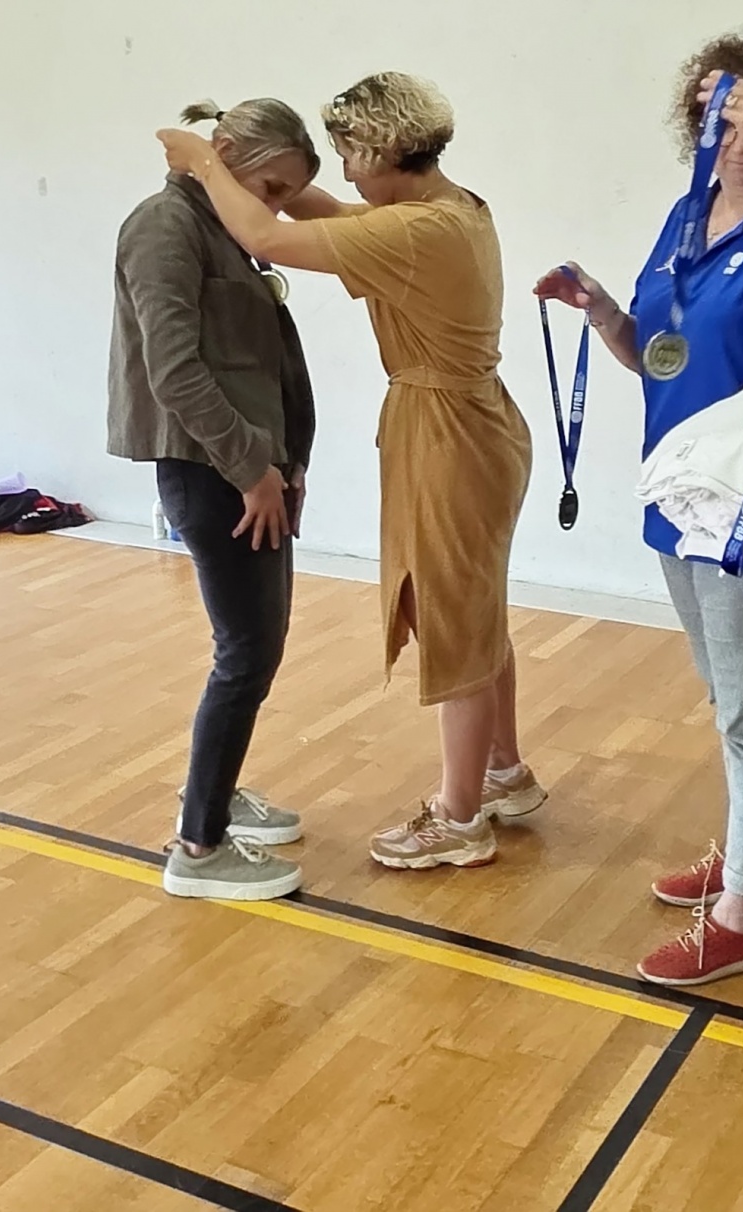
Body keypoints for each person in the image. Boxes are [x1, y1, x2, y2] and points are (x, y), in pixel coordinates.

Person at [158, 71, 544, 872]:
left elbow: (267, 238)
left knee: (452, 621)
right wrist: (258, 166)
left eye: (346, 154)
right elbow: (322, 212)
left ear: (379, 152)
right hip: (474, 422)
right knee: (474, 610)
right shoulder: (449, 208)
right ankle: (504, 772)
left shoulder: (415, 233)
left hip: (448, 433)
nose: (341, 171)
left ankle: (459, 818)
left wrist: (203, 160)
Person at [535, 35, 743, 986]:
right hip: (677, 494)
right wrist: (603, 311)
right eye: (717, 117)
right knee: (729, 695)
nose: (729, 134)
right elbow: (661, 353)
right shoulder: (687, 213)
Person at [109, 98, 321, 900]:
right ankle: (198, 846)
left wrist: (289, 461)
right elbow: (174, 371)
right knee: (247, 651)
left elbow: (263, 363)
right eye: (271, 188)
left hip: (253, 470)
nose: (275, 210)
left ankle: (218, 795)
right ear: (223, 153)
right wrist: (250, 470)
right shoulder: (164, 227)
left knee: (257, 646)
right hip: (215, 474)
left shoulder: (226, 228)